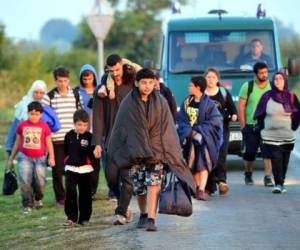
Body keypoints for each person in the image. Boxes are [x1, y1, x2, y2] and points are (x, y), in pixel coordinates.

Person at [108, 68, 195, 231]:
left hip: (156, 153)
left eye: (150, 82)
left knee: (153, 185)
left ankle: (151, 219)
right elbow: (121, 128)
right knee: (140, 189)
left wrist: (171, 151)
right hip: (136, 153)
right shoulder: (128, 103)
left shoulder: (161, 102)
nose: (147, 86)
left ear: (155, 83)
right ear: (136, 83)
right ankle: (143, 214)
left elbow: (167, 128)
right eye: (143, 83)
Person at [92, 54, 137, 225]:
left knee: (127, 178)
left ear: (121, 66)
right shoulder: (103, 88)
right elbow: (97, 116)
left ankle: (121, 213)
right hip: (110, 140)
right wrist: (96, 142)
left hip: (130, 139)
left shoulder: (132, 81)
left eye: (117, 70)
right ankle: (123, 205)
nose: (115, 74)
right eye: (112, 71)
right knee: (111, 178)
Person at [177, 76, 223, 201]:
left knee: (202, 164)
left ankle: (202, 190)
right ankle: (197, 188)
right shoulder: (186, 102)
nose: (188, 87)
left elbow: (215, 121)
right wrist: (188, 131)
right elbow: (181, 119)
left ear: (197, 87)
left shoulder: (209, 105)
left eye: (190, 85)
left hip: (204, 140)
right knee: (192, 164)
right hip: (189, 140)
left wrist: (198, 129)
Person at [42, 66, 83, 207]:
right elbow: (44, 119)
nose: (62, 84)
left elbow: (81, 115)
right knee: (58, 170)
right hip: (56, 139)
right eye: (59, 81)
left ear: (68, 80)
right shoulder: (49, 97)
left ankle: (72, 195)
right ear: (55, 80)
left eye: (65, 81)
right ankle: (60, 197)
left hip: (73, 138)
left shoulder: (76, 95)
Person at [254, 72, 300, 193]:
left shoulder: (292, 97)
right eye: (275, 79)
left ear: (285, 81)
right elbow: (260, 114)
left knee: (285, 160)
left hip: (287, 135)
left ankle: (282, 181)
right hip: (271, 136)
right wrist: (262, 127)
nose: (278, 81)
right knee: (276, 159)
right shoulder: (267, 96)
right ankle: (278, 184)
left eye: (280, 78)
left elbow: (297, 114)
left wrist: (293, 127)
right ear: (273, 82)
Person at [7, 101, 55, 213]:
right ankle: (27, 204)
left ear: (41, 114)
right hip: (24, 157)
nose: (34, 116)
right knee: (24, 181)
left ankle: (38, 198)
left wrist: (51, 157)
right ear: (28, 113)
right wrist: (11, 159)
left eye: (37, 114)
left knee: (40, 182)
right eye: (31, 114)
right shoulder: (22, 125)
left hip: (40, 158)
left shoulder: (44, 126)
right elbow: (17, 142)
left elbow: (49, 143)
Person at [238, 62, 273, 186]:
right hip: (251, 125)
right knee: (250, 153)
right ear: (256, 74)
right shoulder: (248, 86)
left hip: (267, 125)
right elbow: (241, 107)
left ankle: (268, 177)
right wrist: (243, 126)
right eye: (261, 73)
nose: (264, 75)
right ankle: (248, 173)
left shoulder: (272, 86)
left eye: (266, 72)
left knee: (268, 151)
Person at [204, 68, 238, 195]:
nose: (211, 79)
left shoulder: (223, 92)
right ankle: (209, 186)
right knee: (208, 157)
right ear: (205, 79)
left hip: (222, 130)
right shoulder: (201, 93)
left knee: (221, 156)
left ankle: (222, 181)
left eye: (213, 77)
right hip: (206, 131)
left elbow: (232, 109)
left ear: (218, 79)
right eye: (208, 77)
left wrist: (234, 115)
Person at [63, 109, 95, 227]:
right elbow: (66, 151)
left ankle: (84, 218)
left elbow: (93, 155)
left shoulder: (90, 137)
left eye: (85, 125)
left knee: (85, 194)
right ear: (74, 123)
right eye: (79, 125)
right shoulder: (68, 136)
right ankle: (71, 217)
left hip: (86, 169)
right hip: (71, 169)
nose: (82, 127)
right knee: (70, 192)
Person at [76, 64, 100, 199]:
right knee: (82, 161)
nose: (87, 81)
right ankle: (84, 188)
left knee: (95, 161)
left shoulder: (99, 91)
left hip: (96, 130)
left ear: (94, 77)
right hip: (82, 130)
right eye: (84, 79)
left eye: (89, 78)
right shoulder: (76, 92)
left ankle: (92, 189)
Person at [6, 80, 47, 156]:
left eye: (41, 93)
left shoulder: (46, 106)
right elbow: (14, 127)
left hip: (40, 148)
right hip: (24, 146)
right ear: (32, 92)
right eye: (36, 92)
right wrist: (9, 146)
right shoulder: (24, 104)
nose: (38, 95)